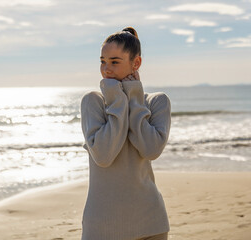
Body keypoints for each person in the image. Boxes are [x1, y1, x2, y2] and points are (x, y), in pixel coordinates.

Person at [80, 27, 171, 240]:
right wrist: (118, 99)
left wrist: (134, 99)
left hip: (151, 225)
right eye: (102, 61)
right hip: (101, 227)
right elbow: (104, 156)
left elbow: (150, 150)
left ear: (136, 63)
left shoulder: (156, 102)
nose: (106, 69)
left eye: (114, 61)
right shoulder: (93, 102)